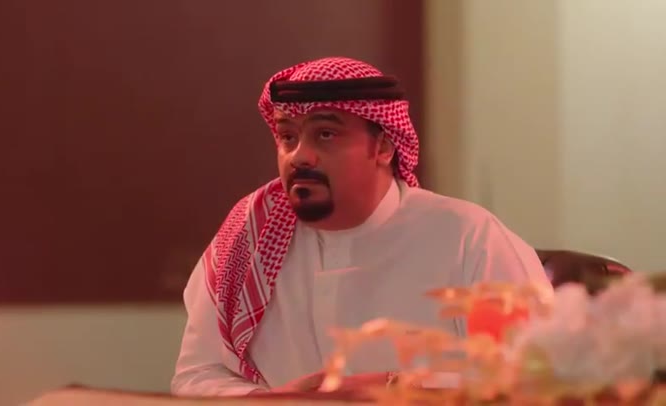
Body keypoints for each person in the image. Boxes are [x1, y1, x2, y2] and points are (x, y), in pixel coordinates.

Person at [170, 57, 551, 397]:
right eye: (288, 137)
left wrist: (396, 387)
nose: (300, 156)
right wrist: (271, 401)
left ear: (383, 147)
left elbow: (535, 381)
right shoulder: (249, 237)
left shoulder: (468, 237)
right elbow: (197, 374)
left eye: (326, 134)